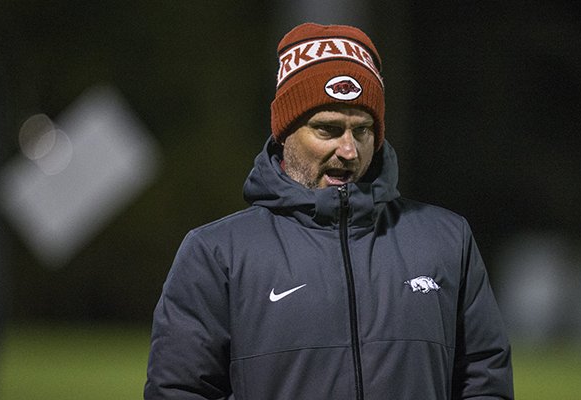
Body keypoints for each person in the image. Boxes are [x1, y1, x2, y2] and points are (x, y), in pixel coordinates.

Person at [144, 23, 514, 399]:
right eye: (328, 129)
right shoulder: (217, 252)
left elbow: (485, 380)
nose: (349, 150)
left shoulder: (446, 240)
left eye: (363, 130)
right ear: (285, 132)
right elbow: (179, 390)